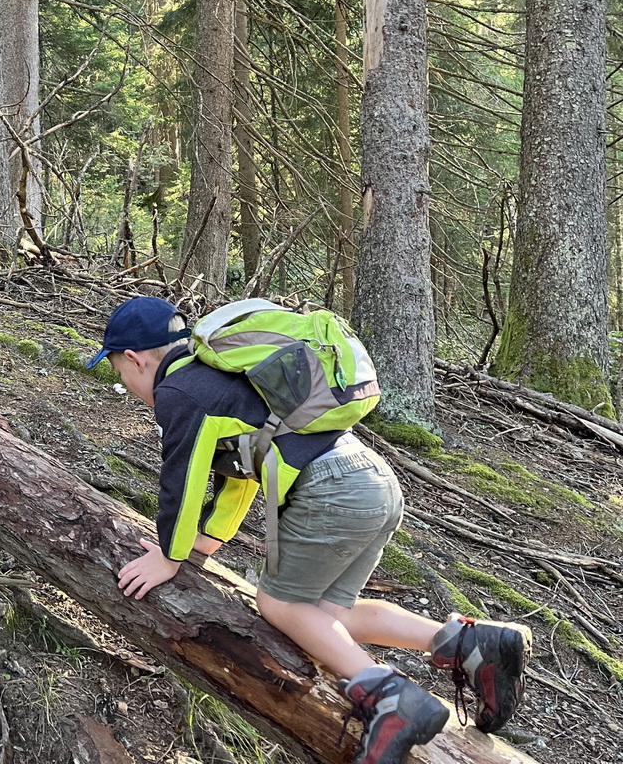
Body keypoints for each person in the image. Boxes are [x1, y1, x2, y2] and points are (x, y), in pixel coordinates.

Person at [90, 296, 531, 764]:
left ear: (136, 359)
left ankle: (394, 700)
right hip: (371, 480)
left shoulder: (180, 392)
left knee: (278, 604)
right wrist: (210, 540)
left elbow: (180, 481)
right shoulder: (223, 378)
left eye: (120, 372)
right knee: (323, 616)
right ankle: (471, 643)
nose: (124, 382)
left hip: (333, 491)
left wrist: (169, 555)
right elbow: (239, 471)